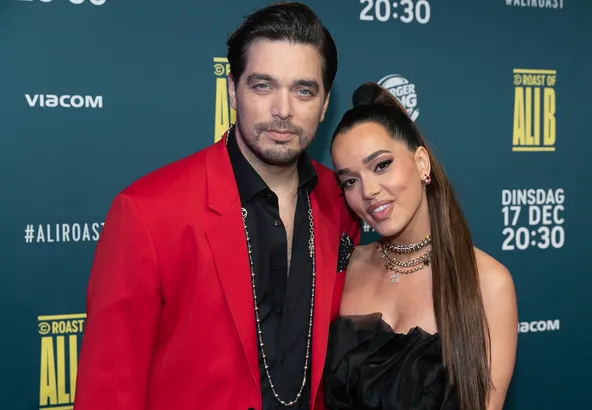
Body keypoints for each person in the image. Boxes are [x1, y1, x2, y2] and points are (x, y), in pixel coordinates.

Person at [73, 3, 360, 410]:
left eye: (303, 90)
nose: (283, 109)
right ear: (231, 90)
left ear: (325, 103)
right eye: (263, 86)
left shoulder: (344, 199)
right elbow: (108, 393)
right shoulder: (148, 213)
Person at [322, 82, 518, 410]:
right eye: (350, 181)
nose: (368, 191)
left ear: (422, 162)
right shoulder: (345, 267)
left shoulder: (488, 283)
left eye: (381, 165)